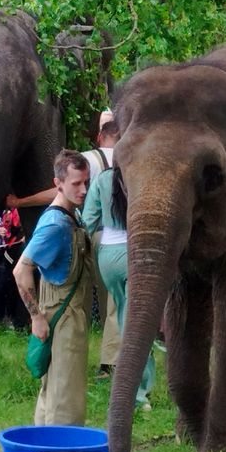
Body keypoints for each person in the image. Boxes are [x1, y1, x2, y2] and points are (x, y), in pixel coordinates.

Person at [13, 150, 92, 426]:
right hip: (61, 314)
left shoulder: (72, 215)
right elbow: (21, 269)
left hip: (72, 314)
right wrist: (36, 317)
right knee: (64, 398)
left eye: (86, 182)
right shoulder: (55, 224)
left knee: (56, 391)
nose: (83, 190)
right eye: (76, 184)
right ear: (58, 183)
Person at [81, 153, 154, 408]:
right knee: (138, 325)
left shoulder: (102, 179)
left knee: (124, 316)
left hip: (107, 258)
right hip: (135, 253)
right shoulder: (143, 176)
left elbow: (88, 220)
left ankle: (129, 385)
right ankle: (139, 393)